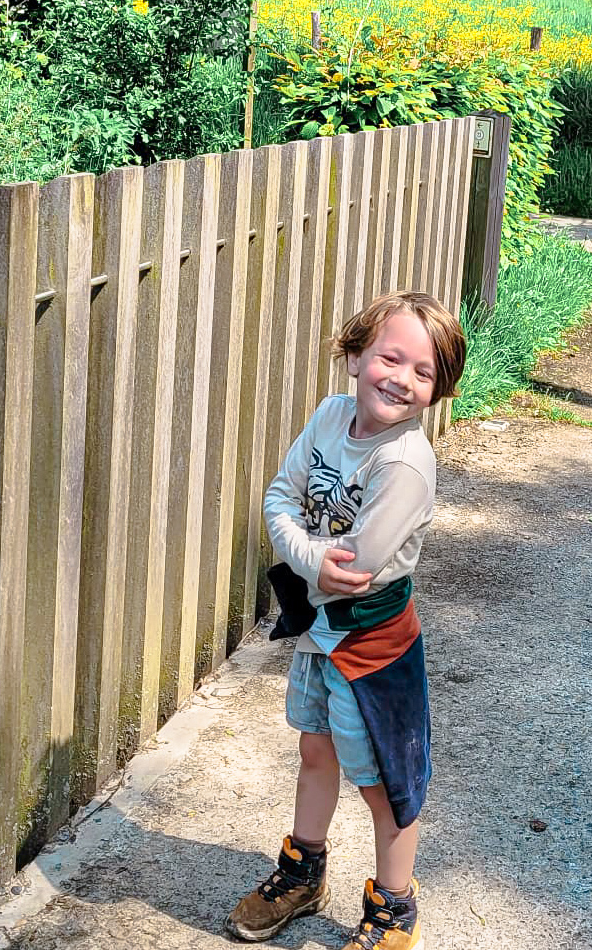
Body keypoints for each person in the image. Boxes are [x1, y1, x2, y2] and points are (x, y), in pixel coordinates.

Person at [226, 291, 467, 950]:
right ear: (357, 356)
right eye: (392, 357)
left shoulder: (406, 464)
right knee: (314, 747)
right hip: (318, 627)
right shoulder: (332, 415)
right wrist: (307, 553)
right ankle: (303, 872)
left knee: (388, 779)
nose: (403, 378)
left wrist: (301, 548)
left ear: (437, 391)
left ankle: (393, 910)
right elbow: (280, 496)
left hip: (373, 643)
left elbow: (354, 565)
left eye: (425, 372)